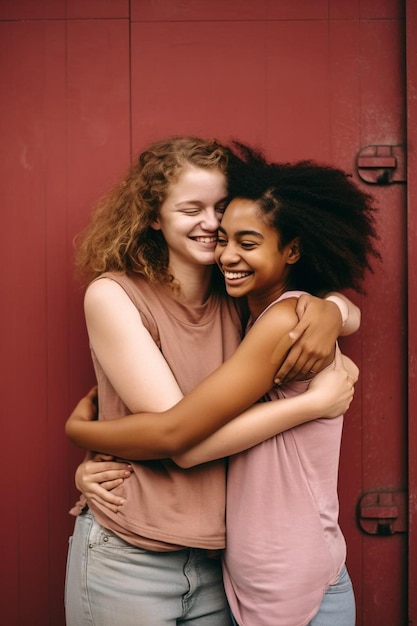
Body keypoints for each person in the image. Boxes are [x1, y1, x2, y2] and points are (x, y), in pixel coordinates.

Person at [65, 136, 361, 626]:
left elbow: (323, 307)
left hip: (219, 563)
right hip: (132, 551)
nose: (210, 223)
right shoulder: (116, 295)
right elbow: (175, 436)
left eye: (220, 208)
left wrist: (332, 310)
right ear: (153, 216)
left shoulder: (241, 295)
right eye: (190, 208)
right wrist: (79, 437)